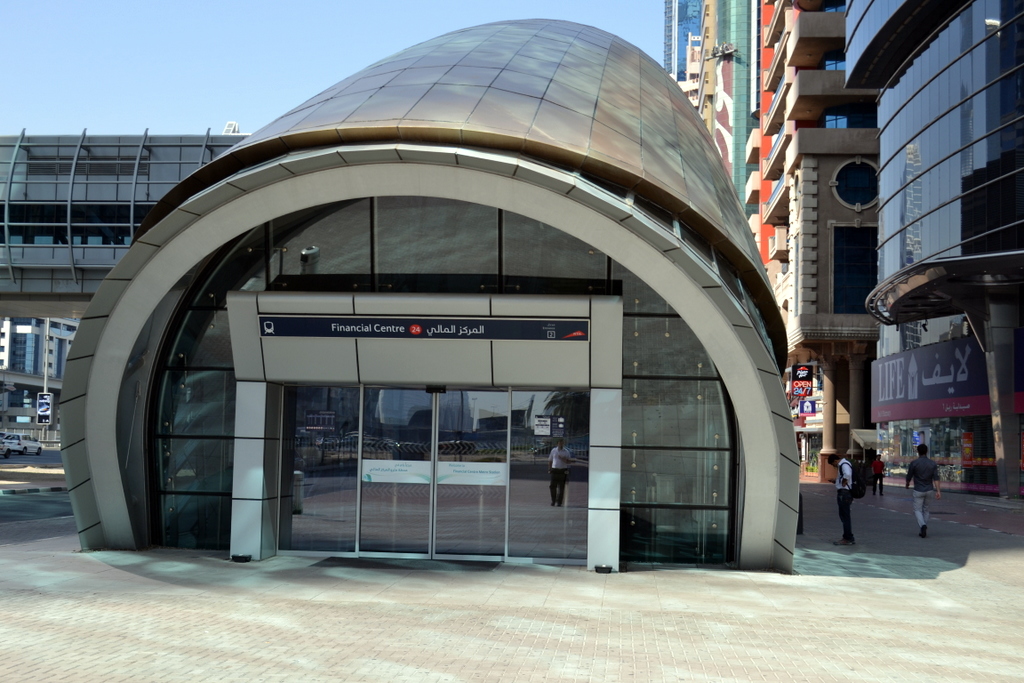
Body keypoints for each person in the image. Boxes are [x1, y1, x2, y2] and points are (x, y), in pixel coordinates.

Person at [906, 444, 942, 537]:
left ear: (918, 452)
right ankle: (923, 527)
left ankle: (923, 526)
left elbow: (909, 475)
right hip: (929, 489)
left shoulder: (914, 463)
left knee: (917, 510)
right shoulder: (932, 463)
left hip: (918, 489)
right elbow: (936, 478)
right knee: (926, 509)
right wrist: (938, 491)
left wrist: (907, 483)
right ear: (927, 451)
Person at [828, 454, 855, 545]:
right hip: (845, 493)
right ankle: (848, 537)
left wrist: (844, 481)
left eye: (833, 464)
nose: (834, 466)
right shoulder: (844, 464)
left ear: (835, 461)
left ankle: (848, 538)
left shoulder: (843, 464)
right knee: (844, 516)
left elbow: (847, 474)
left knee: (845, 516)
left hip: (844, 493)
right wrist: (836, 481)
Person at [548, 439, 573, 506]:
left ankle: (559, 502)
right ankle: (553, 500)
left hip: (562, 470)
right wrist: (549, 469)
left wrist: (563, 459)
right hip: (555, 470)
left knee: (561, 487)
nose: (560, 445)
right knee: (552, 486)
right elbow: (550, 460)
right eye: (559, 443)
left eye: (562, 443)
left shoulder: (566, 452)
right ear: (557, 444)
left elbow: (569, 461)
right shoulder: (554, 450)